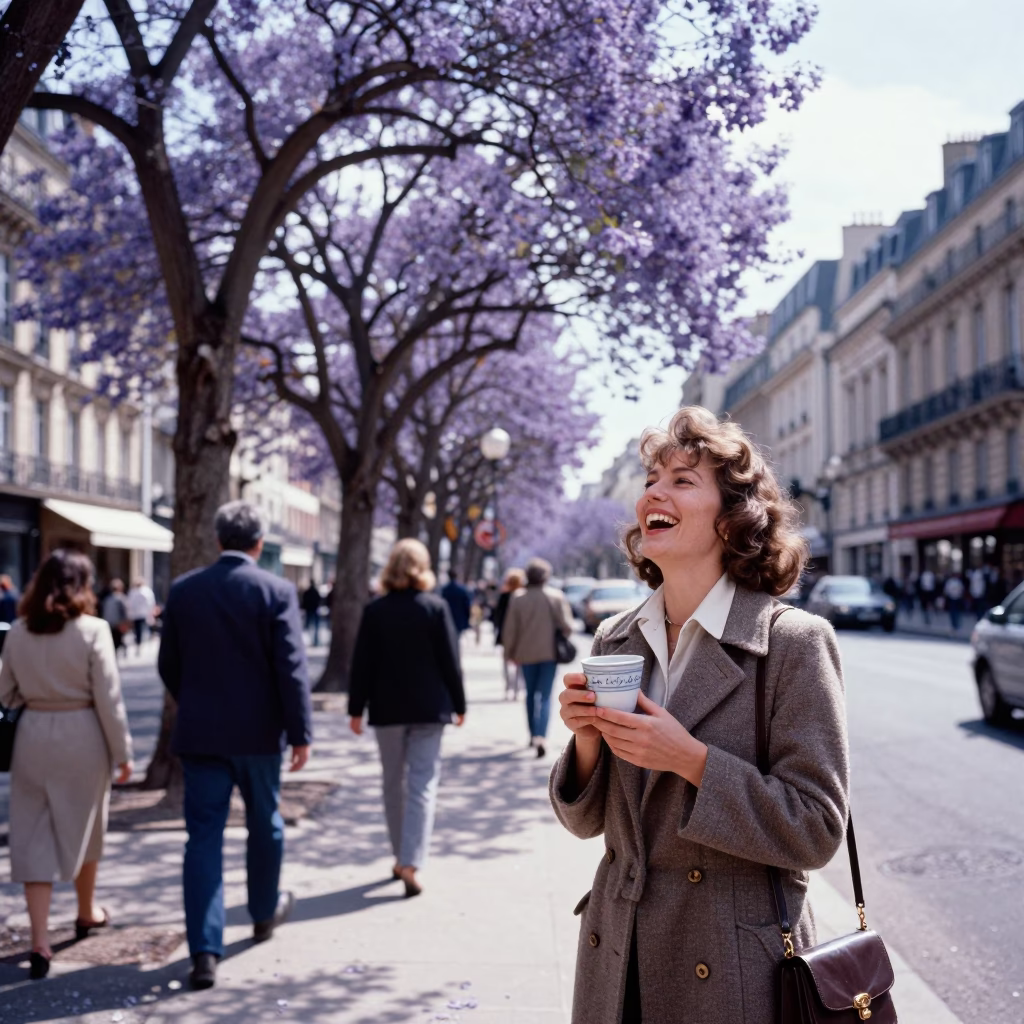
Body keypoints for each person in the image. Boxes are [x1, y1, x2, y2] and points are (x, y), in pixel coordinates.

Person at [551, 407, 849, 1024]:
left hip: (734, 973)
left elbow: (818, 829)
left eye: (684, 480)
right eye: (652, 480)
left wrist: (689, 761)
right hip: (618, 963)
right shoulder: (615, 639)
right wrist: (585, 743)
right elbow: (587, 826)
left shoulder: (792, 642)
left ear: (735, 519)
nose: (654, 492)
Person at [158, 501, 313, 991]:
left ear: (218, 539)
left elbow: (169, 663)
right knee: (264, 823)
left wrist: (195, 702)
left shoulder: (185, 590)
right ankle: (263, 913)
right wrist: (300, 731)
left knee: (202, 838)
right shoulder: (275, 590)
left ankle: (204, 950)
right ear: (259, 544)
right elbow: (291, 668)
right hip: (260, 735)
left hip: (202, 734)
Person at [0, 550, 133, 981]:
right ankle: (84, 911)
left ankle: (39, 939)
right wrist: (124, 753)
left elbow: (4, 692)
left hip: (34, 735)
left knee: (33, 833)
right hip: (83, 734)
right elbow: (109, 699)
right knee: (87, 823)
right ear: (83, 585)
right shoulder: (93, 630)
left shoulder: (19, 632)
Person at [348, 539, 466, 899]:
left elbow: (361, 664)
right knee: (422, 785)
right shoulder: (435, 608)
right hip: (429, 709)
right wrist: (460, 703)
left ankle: (401, 856)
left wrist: (356, 709)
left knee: (392, 784)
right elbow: (450, 661)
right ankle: (410, 861)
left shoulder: (376, 610)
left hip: (387, 711)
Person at [501, 557, 573, 758]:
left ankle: (532, 735)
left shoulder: (518, 597)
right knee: (546, 695)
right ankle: (542, 735)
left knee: (530, 694)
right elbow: (567, 625)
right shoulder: (555, 597)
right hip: (549, 653)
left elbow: (510, 630)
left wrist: (509, 653)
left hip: (525, 653)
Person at [492, 567, 527, 700]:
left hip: (505, 634)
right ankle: (517, 688)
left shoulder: (504, 596)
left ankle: (508, 687)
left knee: (507, 661)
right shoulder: (524, 597)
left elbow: (497, 617)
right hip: (522, 634)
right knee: (521, 662)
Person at [125, 576, 156, 653]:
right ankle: (144, 643)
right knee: (144, 628)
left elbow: (129, 604)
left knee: (139, 629)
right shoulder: (146, 591)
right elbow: (150, 602)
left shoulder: (133, 592)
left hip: (137, 614)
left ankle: (140, 643)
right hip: (143, 613)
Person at [100, 579, 129, 659]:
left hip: (109, 622)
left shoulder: (107, 599)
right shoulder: (121, 598)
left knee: (114, 640)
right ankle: (119, 652)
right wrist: (126, 622)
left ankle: (115, 653)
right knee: (118, 639)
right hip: (118, 623)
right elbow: (125, 611)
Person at [440, 569, 473, 634]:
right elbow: (467, 605)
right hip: (459, 618)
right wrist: (468, 617)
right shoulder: (462, 589)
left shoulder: (444, 590)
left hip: (448, 617)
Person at [301, 580, 323, 647]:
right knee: (314, 627)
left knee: (309, 626)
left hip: (310, 610)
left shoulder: (308, 592)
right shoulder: (314, 592)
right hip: (313, 610)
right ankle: (314, 641)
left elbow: (304, 601)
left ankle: (314, 641)